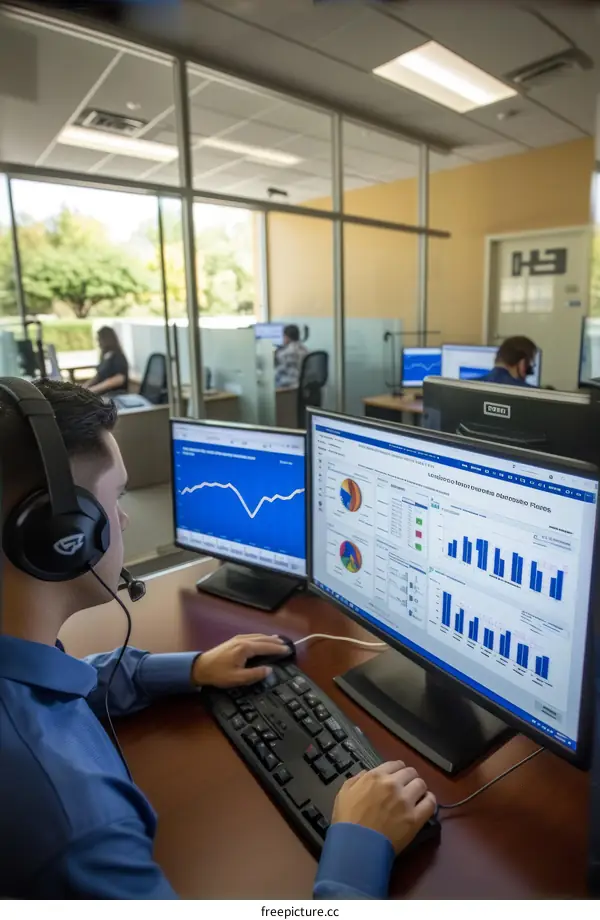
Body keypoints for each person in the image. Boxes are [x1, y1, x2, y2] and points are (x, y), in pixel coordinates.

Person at [0, 379, 436, 899]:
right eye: (114, 496)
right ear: (61, 534)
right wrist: (357, 848)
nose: (123, 517)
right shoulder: (79, 829)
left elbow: (51, 694)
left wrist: (188, 668)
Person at [86, 326, 129, 396]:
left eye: (100, 339)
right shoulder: (105, 356)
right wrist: (83, 388)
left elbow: (119, 379)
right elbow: (98, 376)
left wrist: (92, 390)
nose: (98, 343)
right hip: (103, 394)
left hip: (115, 395)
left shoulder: (118, 356)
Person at [275, 324, 308, 389]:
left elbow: (278, 371)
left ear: (287, 337)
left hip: (289, 385)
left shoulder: (284, 353)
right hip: (303, 386)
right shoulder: (305, 350)